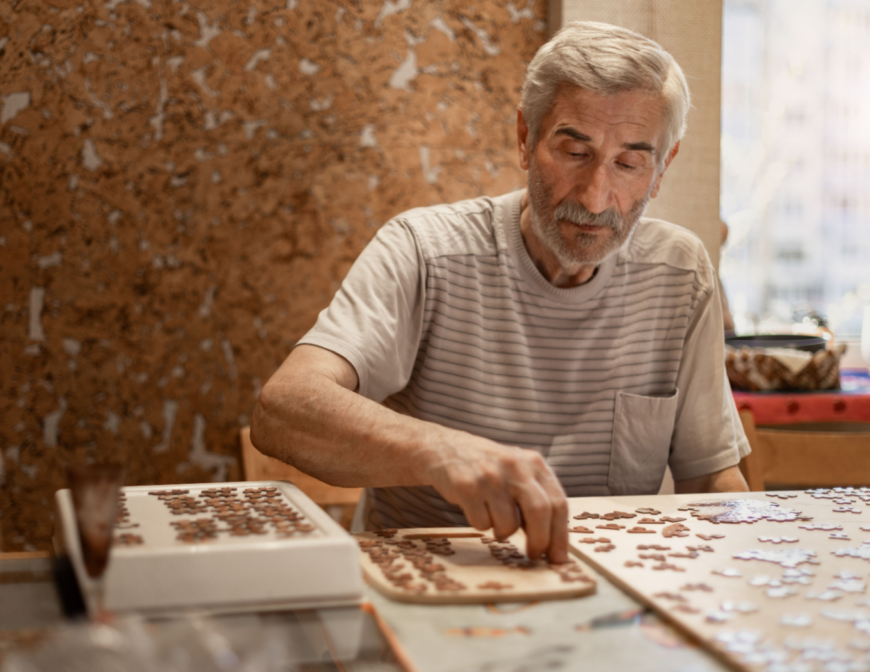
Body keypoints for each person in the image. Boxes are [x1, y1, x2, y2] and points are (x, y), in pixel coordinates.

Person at [251, 22, 750, 565]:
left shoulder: (680, 271)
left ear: (661, 169)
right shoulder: (425, 249)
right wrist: (441, 449)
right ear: (524, 138)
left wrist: (752, 574)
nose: (596, 197)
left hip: (608, 595)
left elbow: (710, 476)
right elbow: (283, 411)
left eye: (629, 164)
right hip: (429, 585)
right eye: (574, 152)